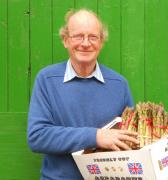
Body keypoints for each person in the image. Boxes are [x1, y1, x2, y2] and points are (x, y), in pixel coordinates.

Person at [27, 8, 139, 180]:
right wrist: (95, 137)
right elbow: (37, 136)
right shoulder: (47, 79)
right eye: (78, 36)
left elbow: (130, 139)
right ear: (65, 40)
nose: (86, 43)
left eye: (93, 37)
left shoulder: (119, 84)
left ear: (101, 42)